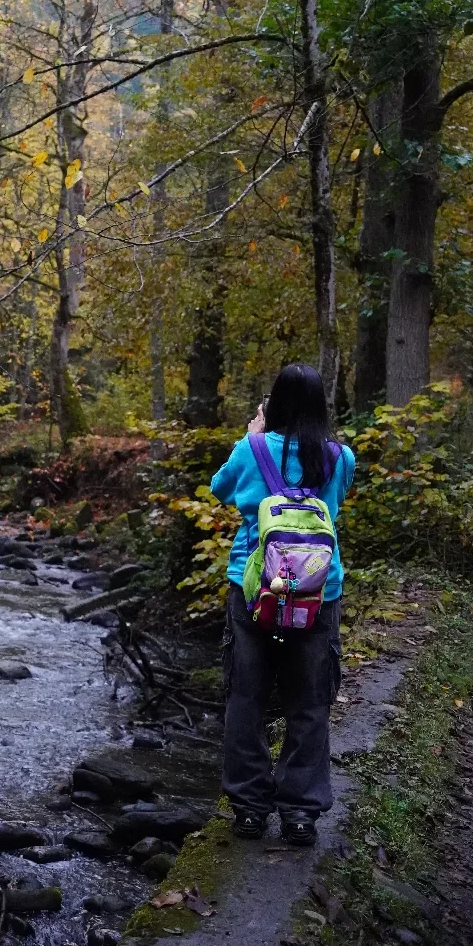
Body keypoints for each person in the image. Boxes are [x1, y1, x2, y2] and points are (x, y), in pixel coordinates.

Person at [210, 362, 355, 846]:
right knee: (309, 702)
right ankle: (299, 814)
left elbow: (220, 490)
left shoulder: (250, 450)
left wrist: (251, 435)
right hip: (318, 595)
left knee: (246, 698)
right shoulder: (340, 457)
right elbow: (336, 503)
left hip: (254, 593)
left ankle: (250, 810)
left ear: (271, 403)